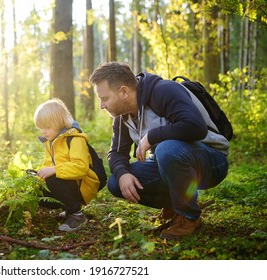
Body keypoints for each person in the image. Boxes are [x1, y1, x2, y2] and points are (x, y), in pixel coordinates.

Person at [89, 62, 229, 239]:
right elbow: (116, 154)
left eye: (104, 98)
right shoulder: (122, 118)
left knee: (166, 149)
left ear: (124, 92)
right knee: (116, 182)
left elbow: (196, 126)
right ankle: (175, 204)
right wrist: (122, 173)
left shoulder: (163, 91)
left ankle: (189, 217)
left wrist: (152, 136)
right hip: (171, 162)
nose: (102, 105)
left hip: (211, 160)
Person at [33, 98, 100, 232]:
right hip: (68, 181)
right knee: (38, 190)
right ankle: (69, 209)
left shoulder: (75, 140)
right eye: (41, 128)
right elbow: (48, 164)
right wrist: (38, 178)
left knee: (53, 178)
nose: (43, 132)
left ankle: (76, 215)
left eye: (47, 127)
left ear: (59, 123)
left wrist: (54, 170)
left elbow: (81, 168)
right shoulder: (50, 142)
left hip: (83, 184)